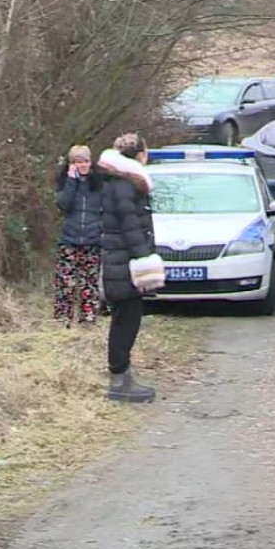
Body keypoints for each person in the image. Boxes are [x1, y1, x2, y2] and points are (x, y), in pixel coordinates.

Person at [97, 133, 158, 404]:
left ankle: (123, 376)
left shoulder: (119, 181)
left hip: (119, 260)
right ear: (139, 155)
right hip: (123, 262)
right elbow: (131, 226)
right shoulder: (125, 185)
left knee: (125, 318)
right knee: (127, 319)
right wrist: (145, 258)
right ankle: (120, 380)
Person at [53, 145, 104, 327]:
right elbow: (63, 205)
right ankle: (62, 318)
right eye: (77, 162)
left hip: (92, 240)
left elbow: (106, 209)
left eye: (85, 161)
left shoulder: (99, 183)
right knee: (65, 283)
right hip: (69, 239)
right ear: (71, 164)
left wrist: (100, 228)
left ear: (91, 162)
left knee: (89, 283)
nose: (82, 165)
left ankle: (88, 319)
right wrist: (71, 180)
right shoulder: (65, 182)